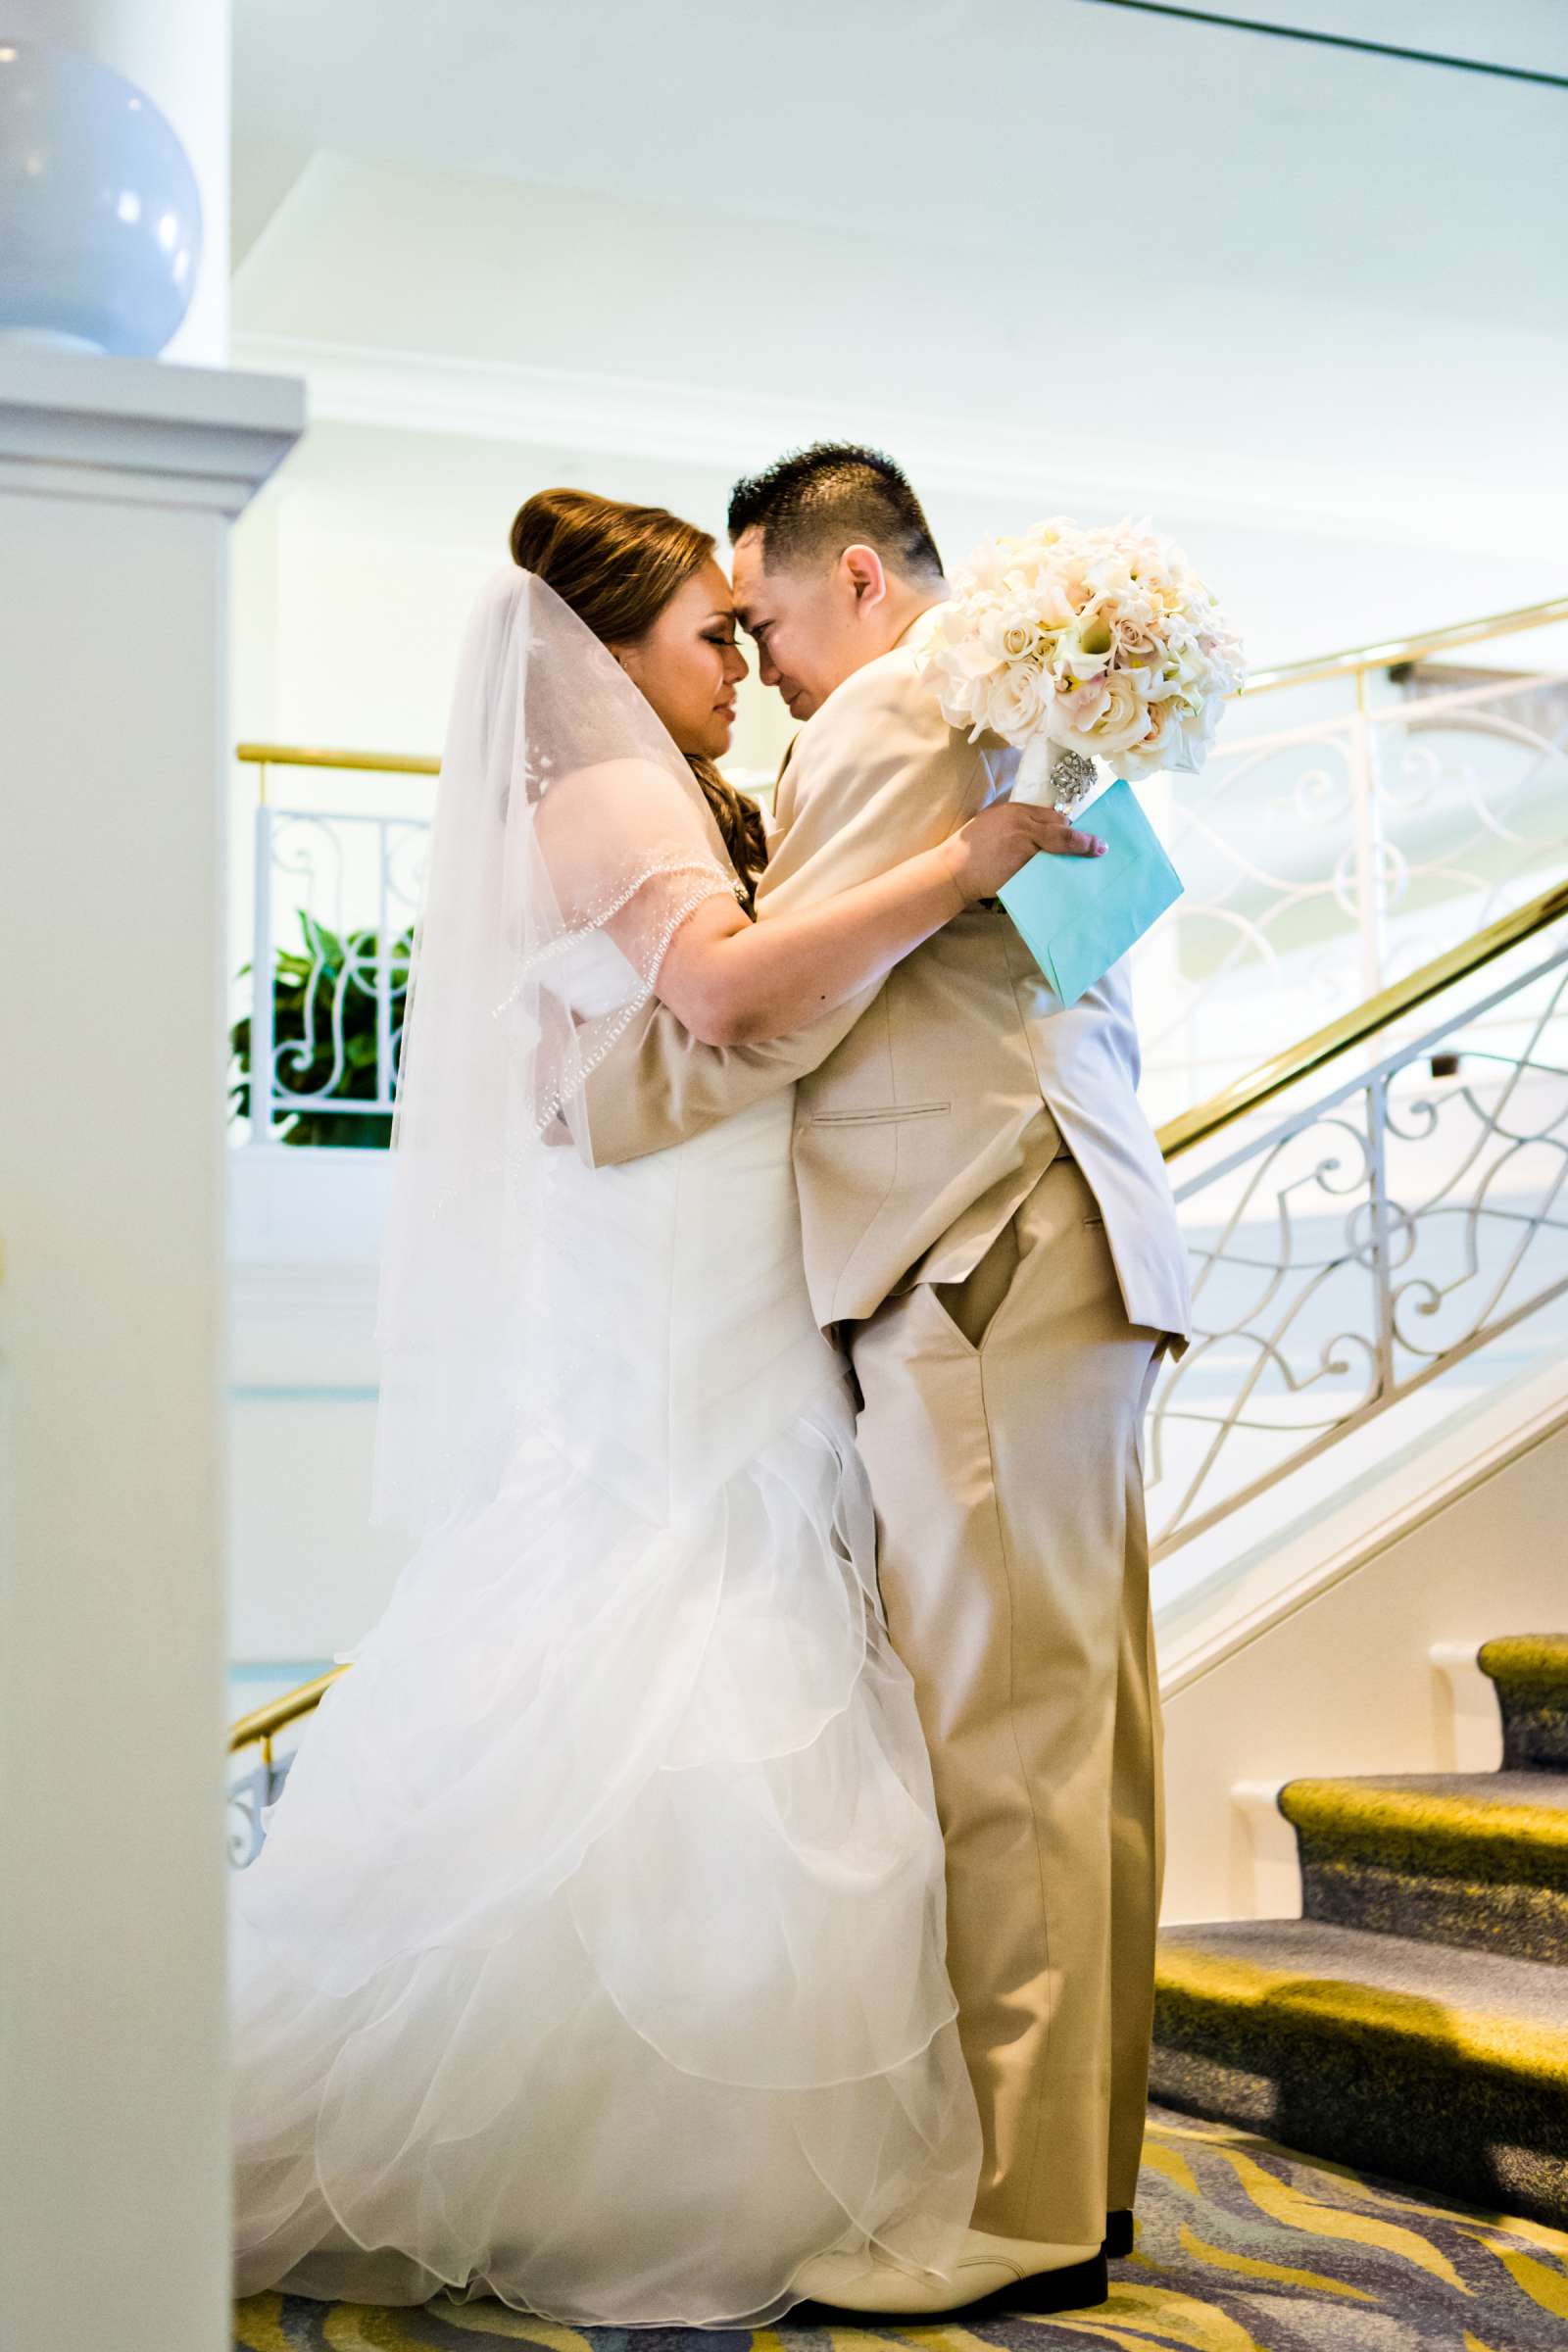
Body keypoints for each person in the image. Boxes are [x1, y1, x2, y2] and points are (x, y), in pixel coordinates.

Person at [228, 487, 1105, 2328]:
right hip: (686, 1299)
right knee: (682, 1642)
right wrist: (967, 864)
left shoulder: (679, 792)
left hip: (723, 1273)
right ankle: (623, 2147)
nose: (743, 670)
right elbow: (716, 992)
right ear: (611, 653)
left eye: (746, 626)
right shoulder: (616, 792)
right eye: (713, 636)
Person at [574, 447, 1195, 2317]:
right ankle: (1081, 2182)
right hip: (1075, 1241)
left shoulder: (889, 721)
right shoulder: (1019, 722)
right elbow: (1101, 961)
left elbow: (775, 1005)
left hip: (980, 1249)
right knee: (1088, 1740)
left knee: (1010, 1752)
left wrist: (583, 1107)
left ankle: (1016, 2211)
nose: (755, 663)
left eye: (757, 614)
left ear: (853, 576)